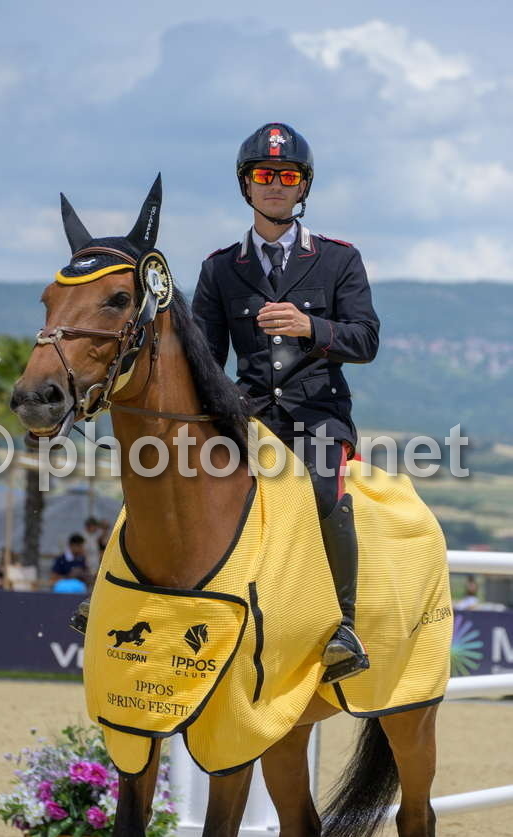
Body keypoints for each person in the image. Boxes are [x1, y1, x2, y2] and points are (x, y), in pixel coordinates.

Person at [192, 122, 380, 684]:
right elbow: (205, 357)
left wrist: (310, 327)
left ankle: (342, 628)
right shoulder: (219, 268)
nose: (275, 184)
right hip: (248, 416)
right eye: (264, 174)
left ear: (303, 186)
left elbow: (366, 340)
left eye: (288, 176)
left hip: (318, 415)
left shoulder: (339, 260)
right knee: (172, 476)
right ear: (246, 184)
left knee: (320, 491)